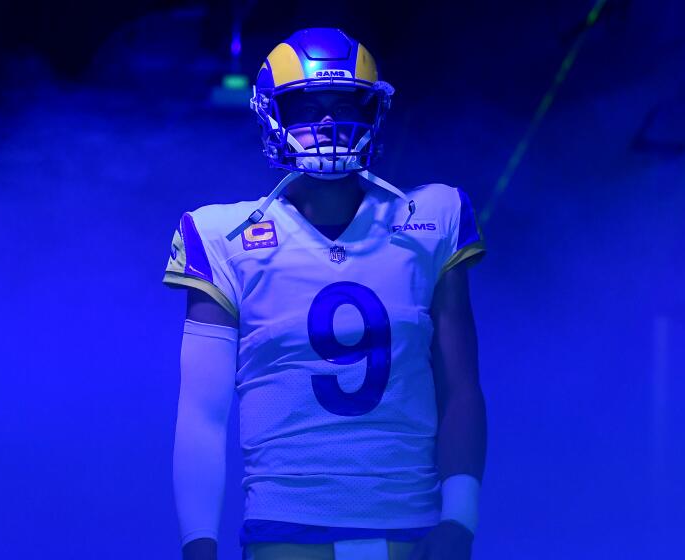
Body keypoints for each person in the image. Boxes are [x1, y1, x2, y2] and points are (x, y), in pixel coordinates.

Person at [163, 27, 487, 560]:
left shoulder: (431, 217)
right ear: (274, 114)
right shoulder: (224, 235)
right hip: (285, 533)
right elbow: (203, 410)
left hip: (410, 529)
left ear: (373, 109)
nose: (330, 121)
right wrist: (199, 544)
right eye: (309, 105)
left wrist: (459, 518)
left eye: (345, 103)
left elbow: (462, 387)